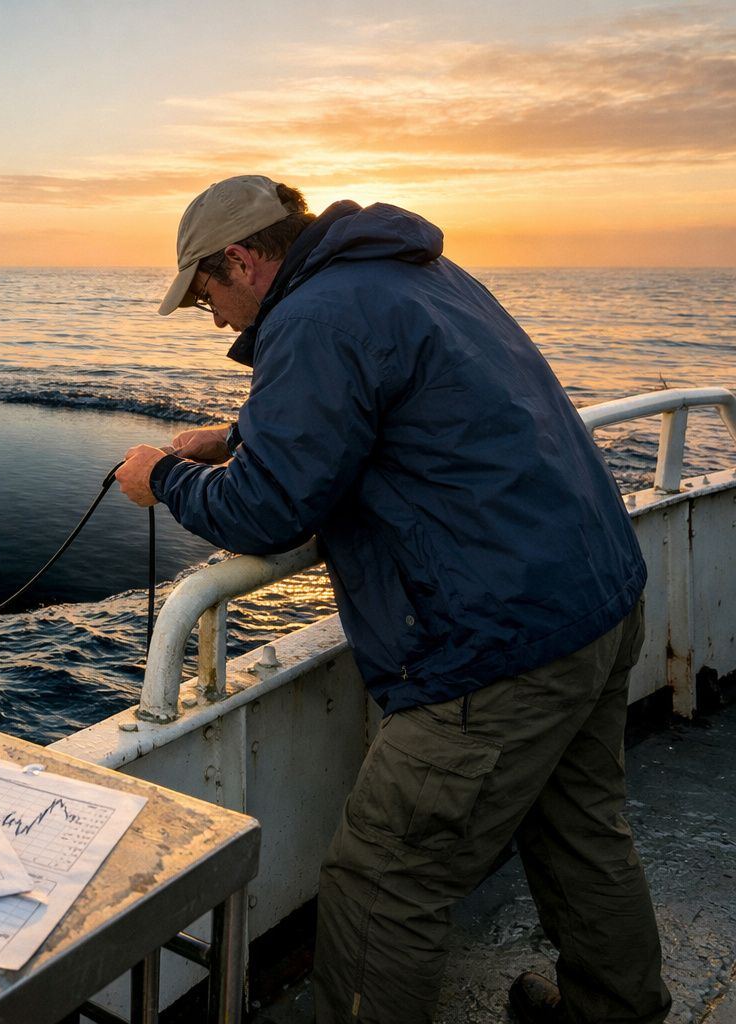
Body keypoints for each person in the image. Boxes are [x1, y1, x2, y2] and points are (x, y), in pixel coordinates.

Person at [114, 175, 670, 1024]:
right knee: (581, 830)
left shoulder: (313, 317)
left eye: (205, 296)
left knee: (385, 880)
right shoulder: (411, 272)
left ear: (242, 260)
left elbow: (267, 511)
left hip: (495, 641)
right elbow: (398, 395)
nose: (215, 320)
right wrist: (236, 435)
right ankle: (616, 1008)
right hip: (595, 596)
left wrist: (169, 477)